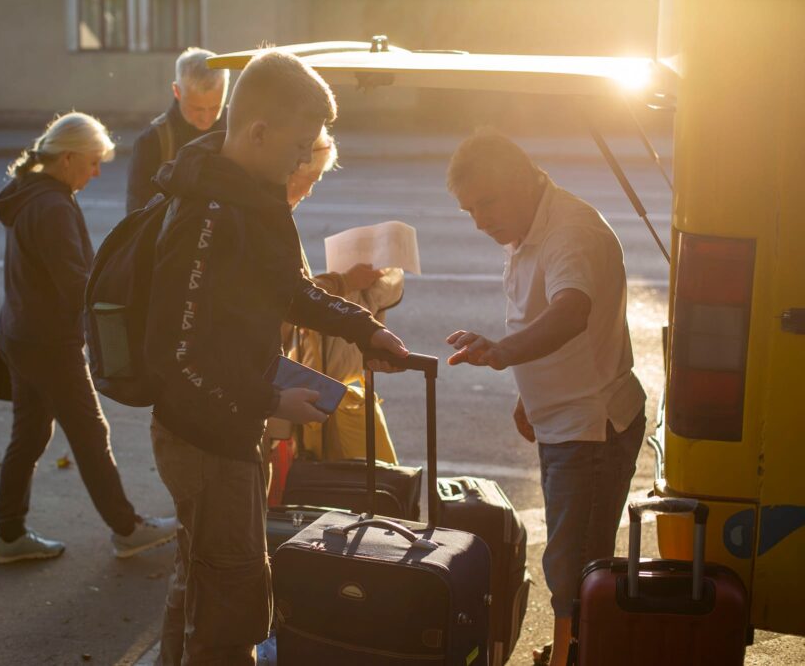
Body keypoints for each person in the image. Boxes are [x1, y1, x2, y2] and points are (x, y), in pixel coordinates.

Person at [144, 50, 411, 665]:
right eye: (298, 148)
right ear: (258, 133)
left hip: (228, 431)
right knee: (232, 611)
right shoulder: (206, 213)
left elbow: (290, 290)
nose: (302, 162)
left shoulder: (253, 199)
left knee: (201, 582)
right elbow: (176, 356)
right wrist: (268, 401)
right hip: (205, 440)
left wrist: (366, 330)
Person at [443, 129, 646, 666]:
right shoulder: (530, 225)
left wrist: (504, 352)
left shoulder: (569, 234)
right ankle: (574, 647)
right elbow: (545, 319)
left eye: (488, 202)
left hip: (590, 426)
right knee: (574, 556)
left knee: (574, 561)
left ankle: (576, 655)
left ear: (523, 179)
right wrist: (528, 393)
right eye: (469, 210)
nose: (481, 220)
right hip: (563, 421)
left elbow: (570, 312)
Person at [0, 112, 178, 564]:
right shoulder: (52, 206)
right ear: (68, 157)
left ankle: (9, 535)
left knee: (30, 436)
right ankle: (127, 529)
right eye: (93, 163)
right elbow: (76, 285)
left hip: (19, 334)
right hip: (49, 342)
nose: (96, 173)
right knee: (91, 433)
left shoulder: (30, 192)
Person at [273, 129, 403, 466]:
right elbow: (290, 295)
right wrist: (344, 282)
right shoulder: (267, 220)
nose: (311, 189)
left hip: (271, 373)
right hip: (260, 380)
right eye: (311, 179)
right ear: (291, 170)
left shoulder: (274, 216)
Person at [126, 47, 229, 214]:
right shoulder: (152, 141)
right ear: (177, 91)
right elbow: (137, 217)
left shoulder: (237, 130)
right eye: (197, 108)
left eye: (215, 107)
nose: (206, 117)